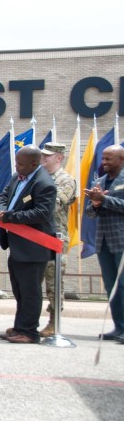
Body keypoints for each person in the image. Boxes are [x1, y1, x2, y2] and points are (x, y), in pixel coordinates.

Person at [0, 145, 57, 344]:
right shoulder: (18, 176)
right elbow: (3, 196)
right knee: (19, 289)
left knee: (30, 291)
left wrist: (10, 217)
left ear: (34, 163)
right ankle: (20, 326)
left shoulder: (45, 184)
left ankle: (30, 332)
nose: (17, 167)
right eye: (16, 162)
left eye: (21, 164)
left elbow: (41, 213)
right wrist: (3, 210)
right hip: (17, 244)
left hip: (34, 246)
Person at [85, 145, 124, 342]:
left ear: (122, 159)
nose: (104, 162)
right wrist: (95, 203)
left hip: (121, 241)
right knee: (111, 286)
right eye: (103, 159)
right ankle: (119, 327)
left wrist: (105, 199)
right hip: (104, 242)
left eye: (109, 159)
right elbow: (90, 214)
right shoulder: (99, 182)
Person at [38, 143, 77, 337]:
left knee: (53, 282)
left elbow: (52, 204)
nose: (43, 159)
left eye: (48, 156)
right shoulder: (40, 178)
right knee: (34, 280)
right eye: (42, 155)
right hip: (37, 236)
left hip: (55, 236)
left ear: (59, 158)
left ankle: (54, 322)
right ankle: (28, 321)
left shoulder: (66, 180)